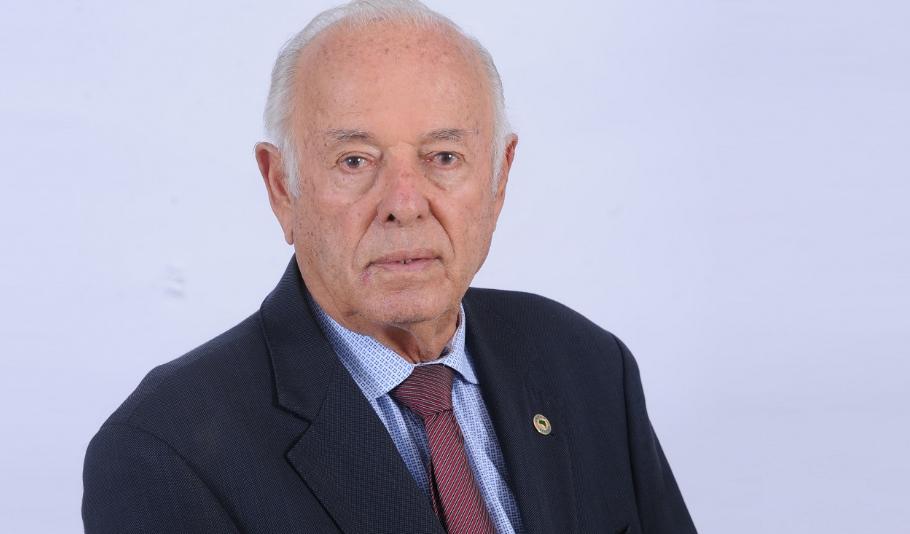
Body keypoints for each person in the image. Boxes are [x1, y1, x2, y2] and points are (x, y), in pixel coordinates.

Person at [82, 1, 697, 532]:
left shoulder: (588, 364)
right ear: (281, 187)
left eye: (444, 156)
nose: (405, 204)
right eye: (355, 160)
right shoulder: (163, 452)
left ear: (500, 178)